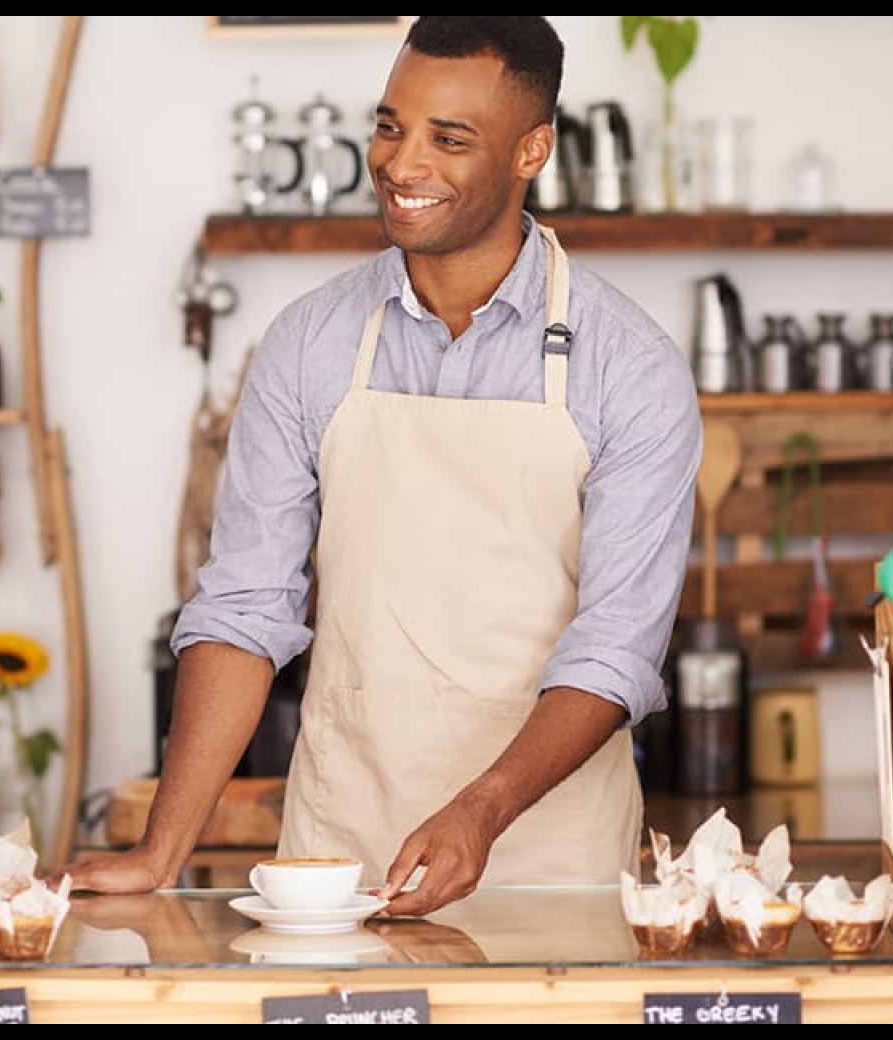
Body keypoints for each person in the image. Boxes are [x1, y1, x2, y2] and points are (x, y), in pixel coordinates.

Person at [61, 17, 700, 917]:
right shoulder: (308, 346)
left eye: (450, 139)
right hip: (337, 861)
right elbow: (245, 607)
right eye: (391, 125)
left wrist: (482, 809)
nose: (402, 165)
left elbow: (618, 649)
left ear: (532, 151)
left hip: (550, 859)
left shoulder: (629, 368)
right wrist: (163, 849)